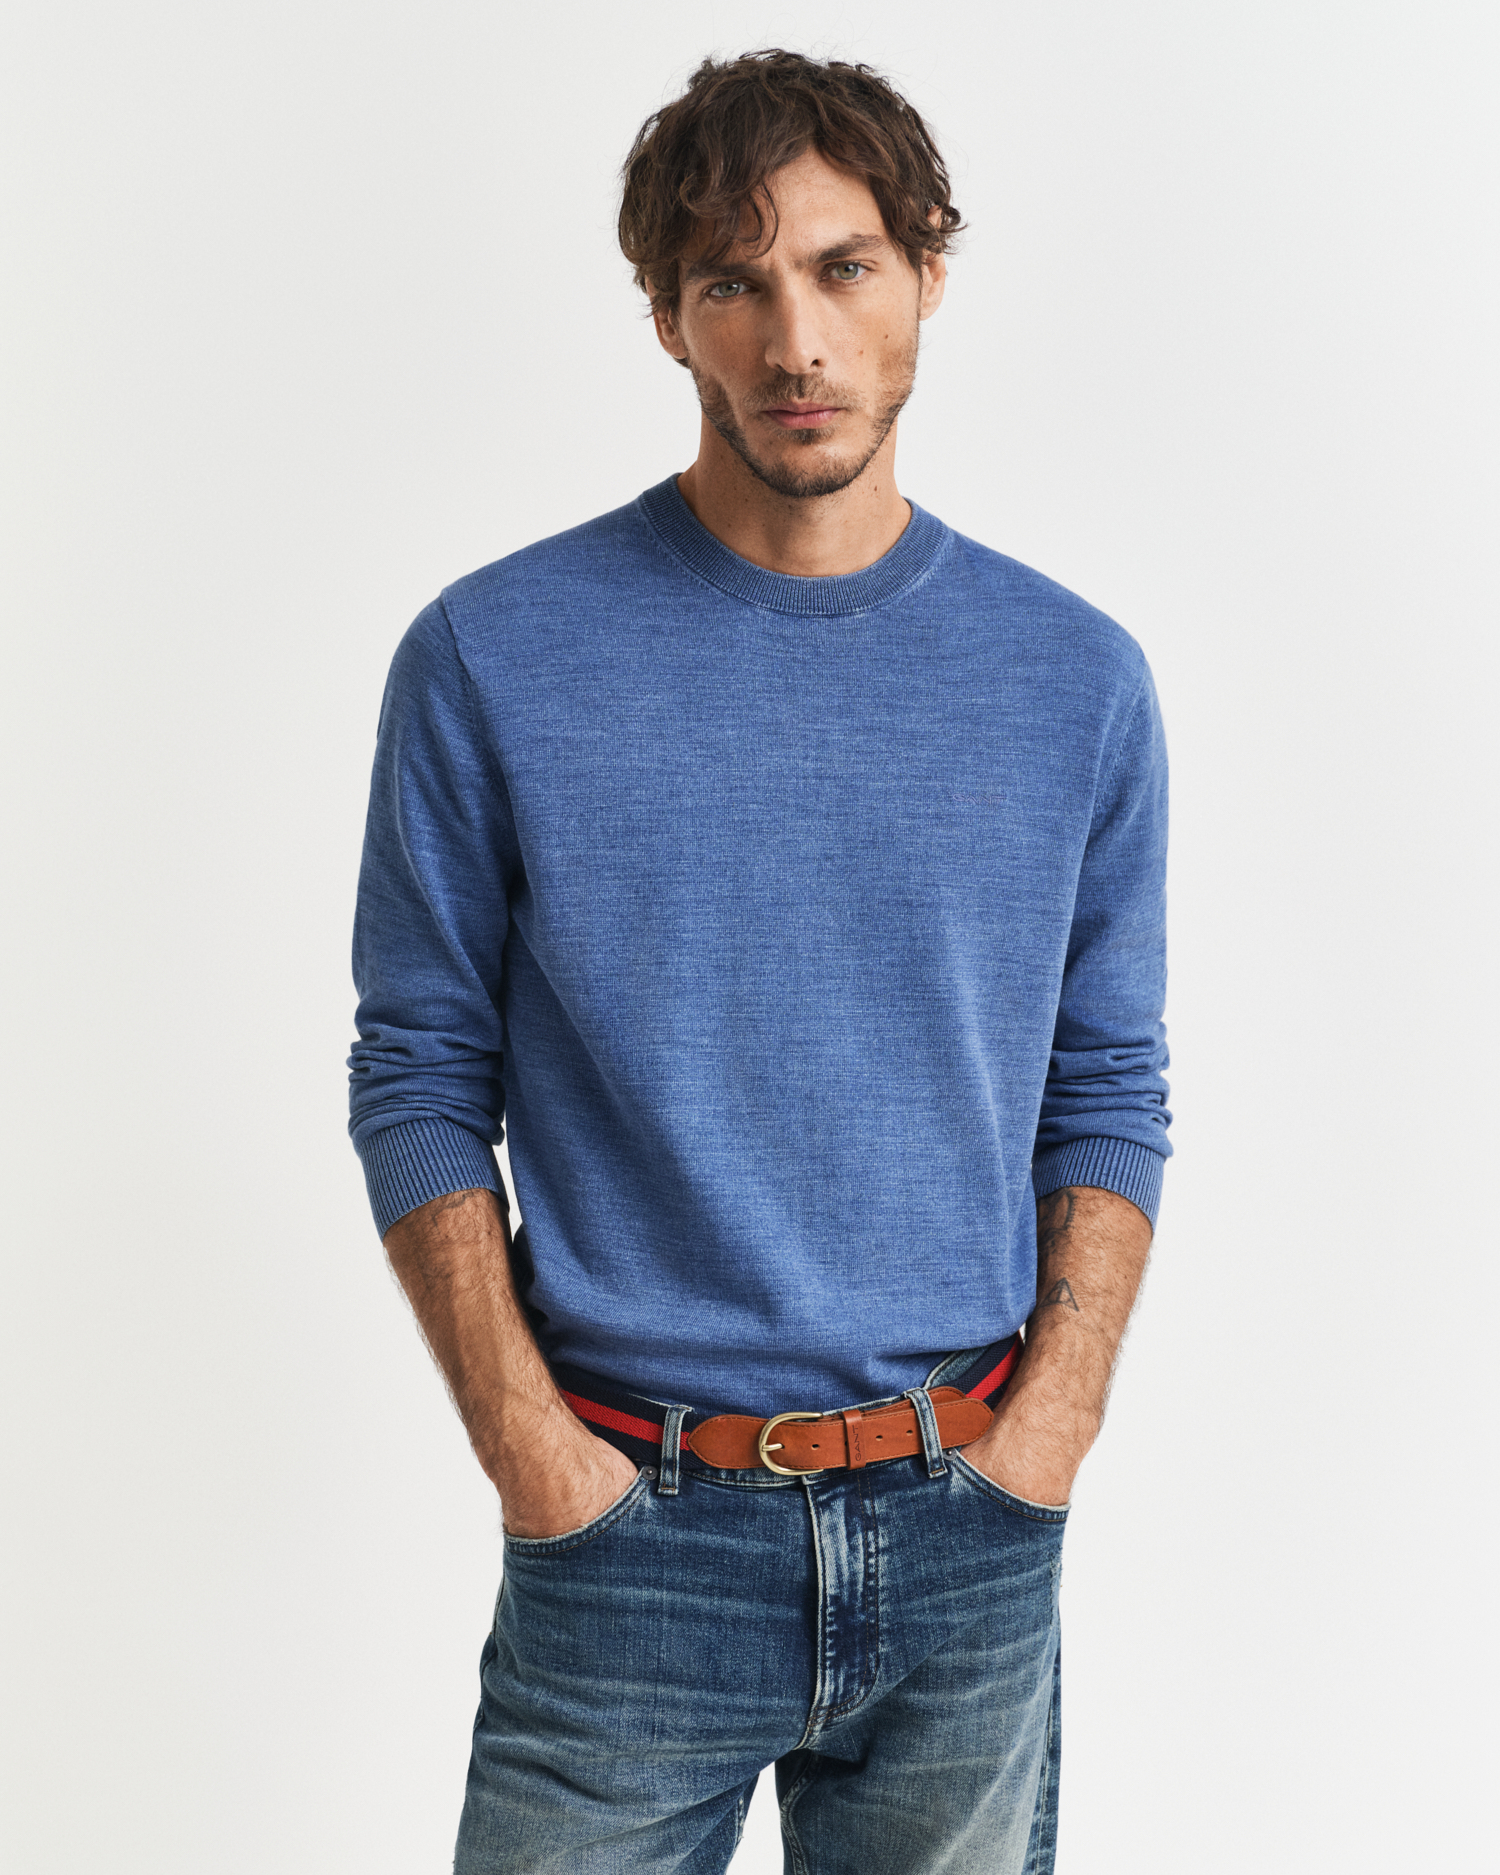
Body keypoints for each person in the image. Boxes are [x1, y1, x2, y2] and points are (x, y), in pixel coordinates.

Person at [348, 47, 1170, 1875]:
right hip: (629, 1534)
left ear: (928, 271)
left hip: (968, 1522)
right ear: (669, 320)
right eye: (734, 283)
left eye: (843, 267)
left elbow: (1108, 1083)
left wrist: (1049, 1435)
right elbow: (415, 1073)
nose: (796, 341)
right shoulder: (493, 655)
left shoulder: (1077, 680)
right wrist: (534, 1457)